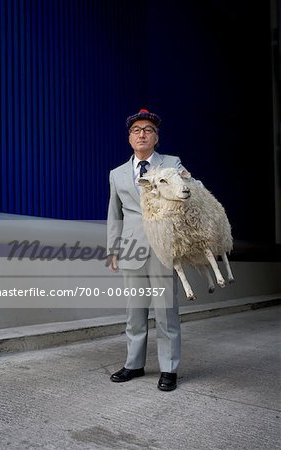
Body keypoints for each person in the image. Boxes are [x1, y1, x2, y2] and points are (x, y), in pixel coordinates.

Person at [107, 109, 186, 391]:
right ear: (129, 138)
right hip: (130, 248)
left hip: (164, 246)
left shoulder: (172, 163)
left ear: (156, 137)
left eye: (148, 129)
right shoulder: (116, 174)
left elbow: (185, 198)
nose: (142, 133)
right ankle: (134, 364)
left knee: (166, 312)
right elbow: (114, 214)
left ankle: (169, 368)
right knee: (135, 312)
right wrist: (113, 249)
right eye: (136, 130)